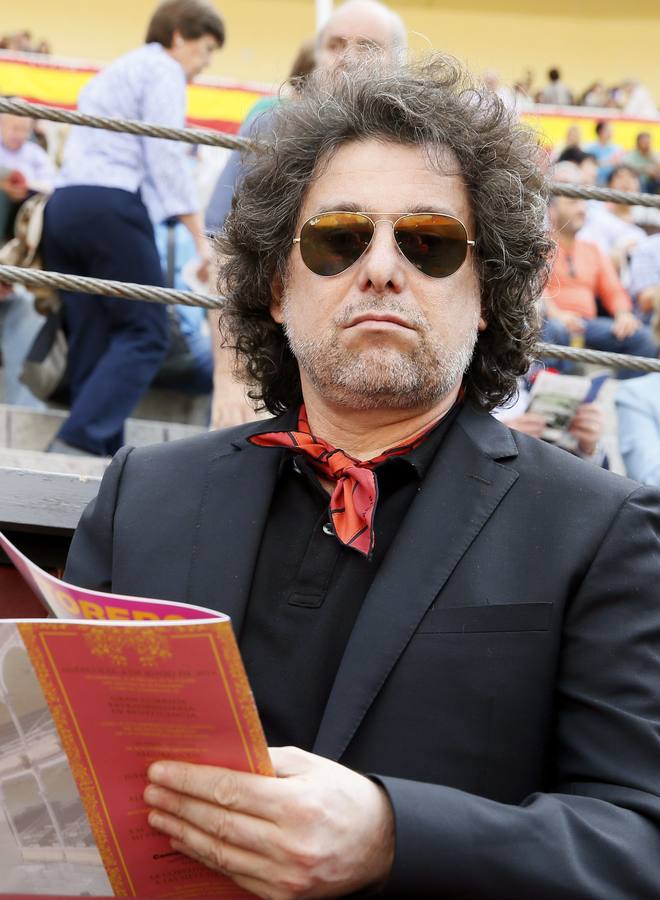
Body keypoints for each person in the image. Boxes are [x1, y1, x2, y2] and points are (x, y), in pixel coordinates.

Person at [62, 55, 660, 898]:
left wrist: (394, 835)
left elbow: (638, 841)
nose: (381, 268)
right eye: (339, 238)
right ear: (276, 285)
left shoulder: (600, 529)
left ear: (487, 294)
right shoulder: (142, 495)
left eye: (430, 243)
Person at [206, 0, 408, 429]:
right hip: (279, 351)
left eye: (368, 46)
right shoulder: (270, 129)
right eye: (335, 44)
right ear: (314, 59)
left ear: (399, 63)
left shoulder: (424, 149)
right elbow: (224, 251)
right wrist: (229, 377)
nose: (349, 57)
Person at [40, 0, 224, 456]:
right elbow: (165, 154)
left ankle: (93, 448)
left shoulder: (117, 70)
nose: (202, 66)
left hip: (65, 206)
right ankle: (79, 442)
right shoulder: (163, 69)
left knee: (93, 333)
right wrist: (201, 240)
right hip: (112, 205)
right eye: (204, 51)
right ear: (179, 35)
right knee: (147, 331)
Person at [542, 162, 657, 375]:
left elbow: (613, 290)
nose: (582, 209)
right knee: (552, 329)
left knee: (645, 338)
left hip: (589, 325)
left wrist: (623, 315)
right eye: (573, 202)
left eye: (583, 204)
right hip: (554, 322)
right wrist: (558, 314)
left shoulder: (592, 249)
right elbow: (536, 290)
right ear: (552, 212)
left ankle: (625, 397)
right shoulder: (539, 246)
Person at [0, 109, 56, 408]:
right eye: (12, 127)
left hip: (18, 256)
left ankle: (25, 407)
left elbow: (51, 188)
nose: (18, 135)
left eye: (24, 128)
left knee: (25, 311)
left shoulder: (34, 154)